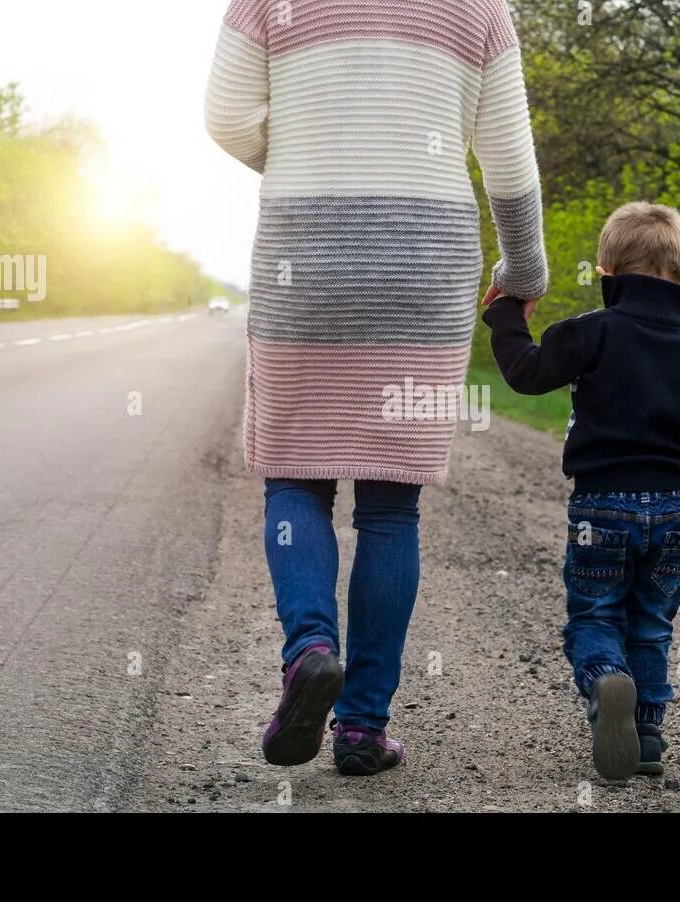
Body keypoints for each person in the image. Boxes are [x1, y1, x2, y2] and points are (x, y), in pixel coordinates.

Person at [204, 0, 548, 776]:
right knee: (392, 502)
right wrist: (522, 274)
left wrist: (310, 150)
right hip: (425, 266)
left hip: (306, 251)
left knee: (294, 475)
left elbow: (225, 118)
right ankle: (361, 729)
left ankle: (310, 651)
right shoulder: (482, 8)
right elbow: (510, 165)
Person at [481, 202, 680, 780]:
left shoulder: (590, 333)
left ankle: (605, 678)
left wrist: (507, 314)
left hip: (600, 507)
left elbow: (527, 372)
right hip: (673, 514)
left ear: (606, 274)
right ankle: (646, 732)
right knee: (652, 621)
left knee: (595, 614)